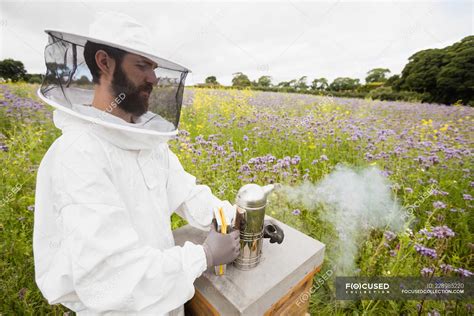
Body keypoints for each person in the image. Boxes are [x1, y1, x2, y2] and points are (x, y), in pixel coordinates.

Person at [33, 11, 240, 316]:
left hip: (165, 299)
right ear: (105, 63)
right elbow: (112, 276)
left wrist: (239, 218)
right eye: (142, 66)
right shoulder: (77, 154)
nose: (154, 79)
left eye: (154, 68)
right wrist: (205, 255)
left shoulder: (146, 144)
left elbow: (187, 193)